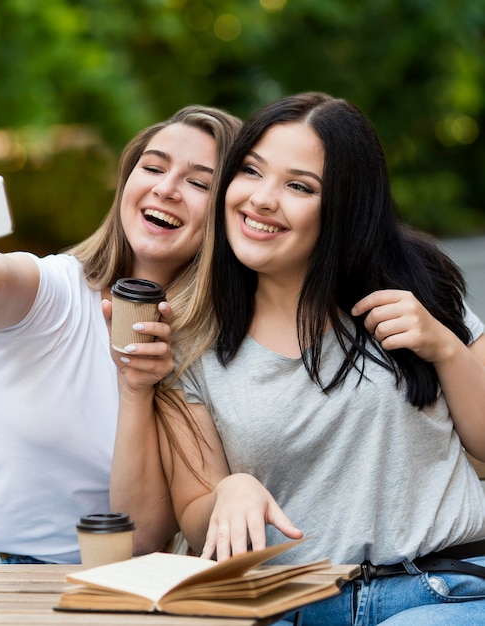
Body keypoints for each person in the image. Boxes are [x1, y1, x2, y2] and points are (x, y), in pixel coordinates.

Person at [0, 104, 241, 584]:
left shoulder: (202, 355)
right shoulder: (53, 291)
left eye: (199, 183)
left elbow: (142, 538)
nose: (166, 188)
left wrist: (137, 389)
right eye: (153, 167)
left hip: (77, 585)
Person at [152, 92, 485, 625]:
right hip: (291, 605)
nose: (262, 199)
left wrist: (444, 346)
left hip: (440, 590)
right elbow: (196, 519)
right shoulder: (192, 343)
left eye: (299, 186)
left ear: (344, 207)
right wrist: (230, 490)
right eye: (251, 172)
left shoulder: (416, 280)